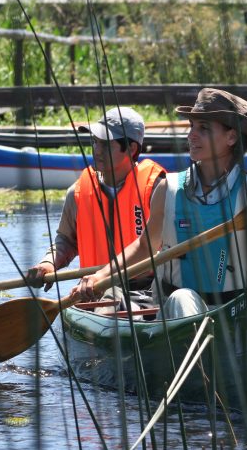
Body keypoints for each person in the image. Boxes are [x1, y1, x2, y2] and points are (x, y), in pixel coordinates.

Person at [71, 88, 247, 318]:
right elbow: (145, 247)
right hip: (176, 311)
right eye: (192, 126)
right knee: (183, 298)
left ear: (231, 137)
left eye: (204, 129)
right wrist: (100, 276)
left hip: (238, 311)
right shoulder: (168, 188)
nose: (191, 135)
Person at [28, 107, 166, 311]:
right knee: (110, 298)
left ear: (132, 149)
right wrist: (49, 264)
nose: (97, 150)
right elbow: (65, 241)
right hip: (92, 290)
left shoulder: (156, 188)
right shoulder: (77, 193)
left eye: (106, 144)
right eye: (94, 142)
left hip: (146, 289)